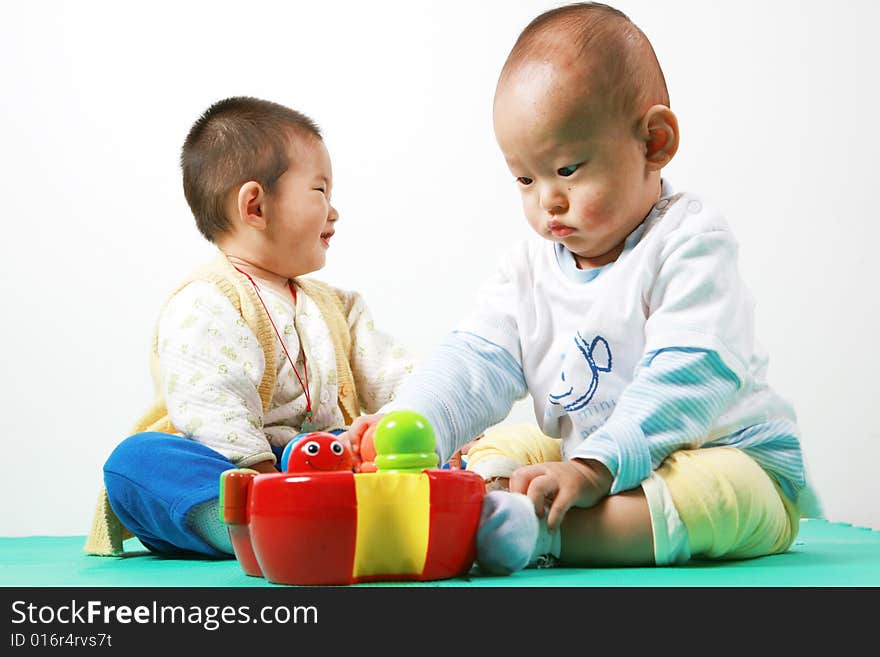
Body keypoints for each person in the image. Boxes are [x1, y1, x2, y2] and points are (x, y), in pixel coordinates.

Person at [343, 2, 815, 574]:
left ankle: (546, 535)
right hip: (587, 459)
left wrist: (595, 467)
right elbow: (475, 363)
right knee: (498, 449)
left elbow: (689, 375)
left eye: (567, 169)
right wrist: (408, 424)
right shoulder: (528, 269)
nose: (548, 200)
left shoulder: (690, 241)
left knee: (719, 493)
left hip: (722, 456)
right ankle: (493, 510)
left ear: (654, 142)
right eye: (525, 178)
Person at [85, 96, 413, 558]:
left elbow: (394, 375)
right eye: (321, 191)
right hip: (241, 472)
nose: (334, 211)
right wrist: (264, 477)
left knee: (389, 444)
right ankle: (254, 528)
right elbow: (211, 402)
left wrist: (417, 425)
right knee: (136, 463)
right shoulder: (206, 300)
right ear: (255, 206)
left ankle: (322, 519)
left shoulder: (341, 306)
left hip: (328, 464)